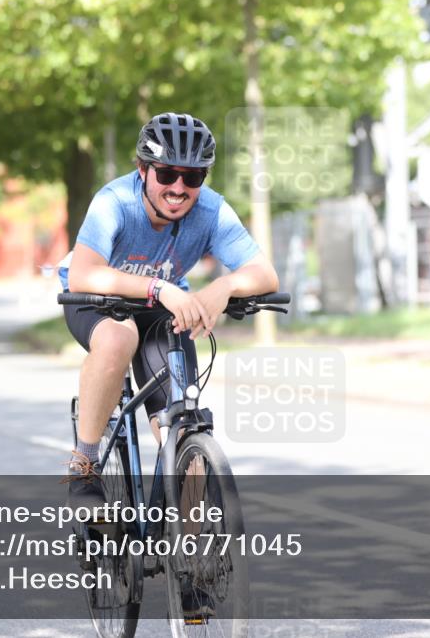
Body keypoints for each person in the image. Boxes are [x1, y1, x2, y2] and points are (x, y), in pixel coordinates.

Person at [58, 112, 279, 513]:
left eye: (192, 177)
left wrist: (223, 287)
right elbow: (83, 274)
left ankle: (189, 557)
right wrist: (158, 287)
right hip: (98, 296)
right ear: (143, 170)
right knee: (118, 338)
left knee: (181, 425)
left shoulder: (211, 211)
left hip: (161, 308)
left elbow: (264, 273)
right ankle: (85, 465)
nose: (179, 187)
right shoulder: (115, 201)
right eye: (167, 174)